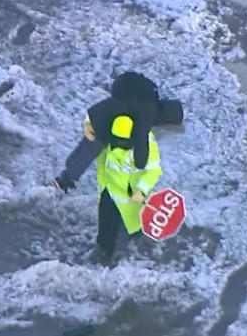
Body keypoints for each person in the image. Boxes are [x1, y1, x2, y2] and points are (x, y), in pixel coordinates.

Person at [54, 72, 182, 192]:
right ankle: (64, 180)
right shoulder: (149, 110)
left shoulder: (146, 101)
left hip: (99, 113)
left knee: (86, 145)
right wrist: (140, 163)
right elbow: (140, 136)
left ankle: (68, 170)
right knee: (90, 151)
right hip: (104, 123)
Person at [93, 114, 162, 266]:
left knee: (131, 226)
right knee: (106, 225)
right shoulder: (109, 141)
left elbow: (153, 171)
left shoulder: (146, 144)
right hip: (110, 191)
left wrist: (141, 190)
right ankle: (103, 251)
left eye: (123, 142)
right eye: (116, 141)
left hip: (132, 195)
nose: (119, 144)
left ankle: (126, 249)